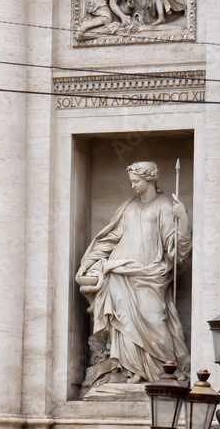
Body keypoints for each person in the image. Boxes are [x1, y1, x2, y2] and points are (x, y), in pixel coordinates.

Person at [77, 161, 190, 386]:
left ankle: (163, 370)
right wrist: (87, 263)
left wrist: (183, 219)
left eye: (136, 181)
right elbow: (109, 239)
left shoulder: (164, 207)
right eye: (131, 181)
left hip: (151, 274)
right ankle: (130, 369)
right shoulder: (127, 207)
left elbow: (176, 250)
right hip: (120, 274)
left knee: (155, 320)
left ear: (150, 180)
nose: (133, 185)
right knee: (124, 322)